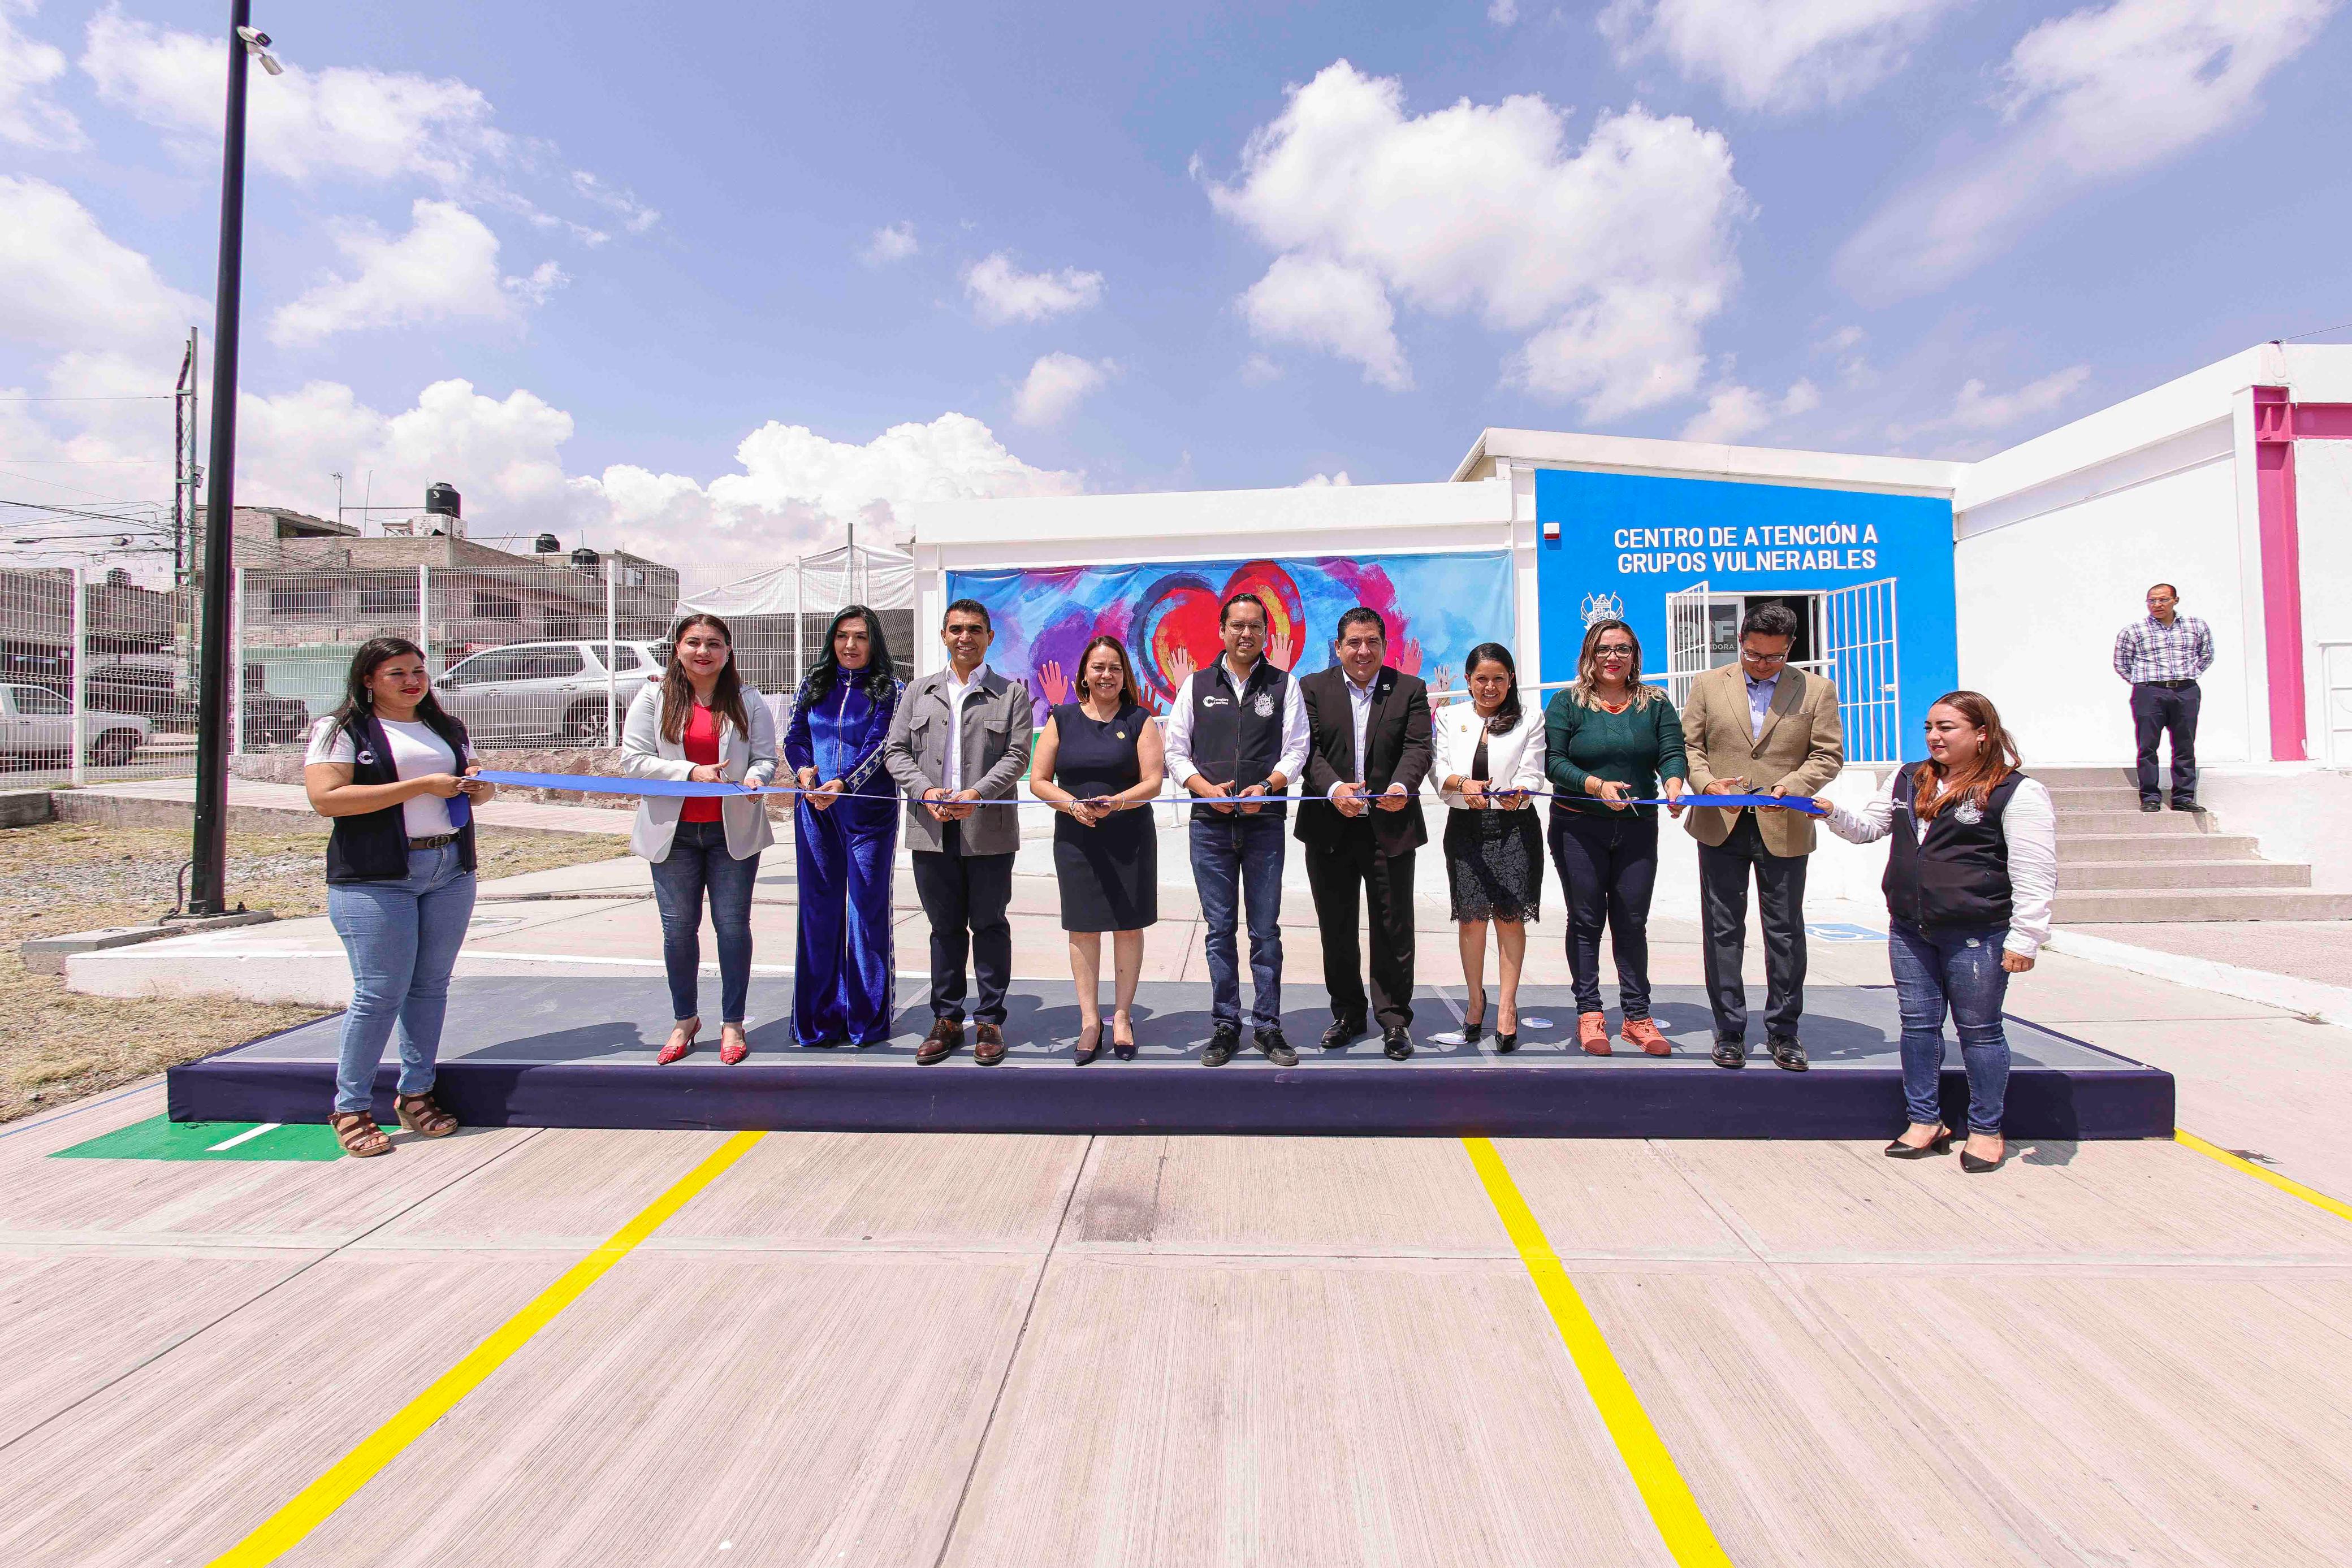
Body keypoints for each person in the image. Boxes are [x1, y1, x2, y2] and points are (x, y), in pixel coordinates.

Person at [1822, 691, 2055, 1174]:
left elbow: (2035, 872)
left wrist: (2025, 938)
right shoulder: (1908, 777)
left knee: (1980, 1033)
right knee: (1918, 1027)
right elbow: (1868, 829)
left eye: (1947, 727)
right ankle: (1925, 1120)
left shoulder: (2016, 791)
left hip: (1977, 934)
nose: (1933, 736)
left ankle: (1987, 1129)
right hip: (1911, 929)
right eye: (1929, 727)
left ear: (1982, 733)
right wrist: (1826, 811)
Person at [302, 636, 494, 1158]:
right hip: (376, 877)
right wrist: (420, 786)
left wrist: (479, 786)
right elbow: (326, 798)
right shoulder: (342, 730)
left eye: (418, 671)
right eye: (397, 674)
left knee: (430, 987)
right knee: (380, 992)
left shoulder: (446, 727)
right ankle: (351, 1107)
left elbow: (476, 786)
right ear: (368, 679)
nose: (412, 682)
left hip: (449, 869)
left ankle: (416, 1093)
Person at [1680, 603, 1844, 1071]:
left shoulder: (1816, 690)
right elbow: (1690, 748)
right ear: (1741, 642)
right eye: (1753, 654)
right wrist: (1707, 785)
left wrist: (1791, 787)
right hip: (1721, 823)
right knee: (1723, 929)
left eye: (1773, 657)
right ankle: (1729, 1029)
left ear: (1790, 648)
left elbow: (1828, 754)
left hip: (1784, 824)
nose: (1762, 664)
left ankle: (1784, 1030)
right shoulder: (1708, 684)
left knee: (1785, 930)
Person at [622, 613, 779, 1066]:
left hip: (732, 833)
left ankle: (733, 1022)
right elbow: (634, 761)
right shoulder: (653, 697)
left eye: (713, 643)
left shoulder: (748, 699)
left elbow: (766, 758)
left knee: (732, 928)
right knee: (678, 931)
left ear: (728, 651)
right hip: (672, 835)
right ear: (678, 648)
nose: (703, 651)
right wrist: (691, 772)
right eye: (693, 642)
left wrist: (756, 778)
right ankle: (685, 1019)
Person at [883, 598, 1034, 1065]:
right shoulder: (918, 692)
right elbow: (895, 752)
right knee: (944, 928)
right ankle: (947, 1019)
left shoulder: (1011, 694)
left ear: (990, 637)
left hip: (988, 830)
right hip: (931, 830)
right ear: (944, 635)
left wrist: (977, 793)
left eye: (974, 629)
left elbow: (1018, 755)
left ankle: (989, 1021)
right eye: (956, 629)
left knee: (989, 925)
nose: (965, 637)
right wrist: (926, 791)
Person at [1162, 591, 1309, 1067]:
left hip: (1264, 824)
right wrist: (1205, 790)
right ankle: (1226, 1025)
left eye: (1255, 626)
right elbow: (1175, 751)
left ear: (1266, 633)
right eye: (1238, 626)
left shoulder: (1284, 685)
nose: (1247, 634)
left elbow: (1297, 749)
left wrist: (1268, 786)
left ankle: (1268, 1026)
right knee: (1219, 931)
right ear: (1222, 631)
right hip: (1210, 827)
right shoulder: (1196, 685)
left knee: (1265, 932)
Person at [1543, 620, 1689, 1056]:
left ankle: (1637, 1017)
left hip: (1638, 827)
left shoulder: (1656, 702)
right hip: (1577, 827)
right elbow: (1554, 762)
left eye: (1623, 649)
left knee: (1631, 921)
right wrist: (1595, 785)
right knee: (1586, 920)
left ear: (1635, 656)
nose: (1613, 657)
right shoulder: (1567, 703)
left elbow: (1672, 752)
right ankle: (1589, 1013)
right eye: (1604, 649)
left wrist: (1675, 783)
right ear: (1589, 653)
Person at [1296, 607, 1433, 1060]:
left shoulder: (1409, 689)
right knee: (1336, 928)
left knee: (1394, 928)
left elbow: (1418, 748)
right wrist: (1334, 789)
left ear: (1384, 646)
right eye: (1354, 642)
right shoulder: (1312, 688)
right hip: (1329, 827)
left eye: (1372, 641)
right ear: (1338, 648)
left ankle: (1394, 1019)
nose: (1363, 651)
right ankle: (1348, 1014)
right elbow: (1306, 751)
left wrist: (1401, 788)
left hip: (1390, 826)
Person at [1030, 635, 1165, 1062]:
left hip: (1129, 838)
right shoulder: (1062, 718)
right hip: (1077, 839)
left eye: (1115, 668)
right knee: (1083, 927)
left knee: (1128, 926)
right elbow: (1038, 780)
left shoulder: (1140, 719)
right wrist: (1071, 805)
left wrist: (1117, 802)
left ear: (1125, 675)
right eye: (1099, 667)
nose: (1107, 675)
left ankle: (1122, 1017)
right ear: (1085, 674)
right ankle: (1090, 1021)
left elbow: (1153, 782)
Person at [784, 604, 902, 1049]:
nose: (850, 645)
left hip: (868, 812)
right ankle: (819, 1018)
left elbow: (881, 745)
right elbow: (794, 737)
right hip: (815, 809)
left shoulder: (890, 689)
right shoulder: (813, 684)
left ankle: (865, 1018)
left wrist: (845, 783)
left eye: (860, 637)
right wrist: (804, 772)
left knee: (865, 911)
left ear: (874, 643)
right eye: (842, 636)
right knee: (818, 910)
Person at [1433, 642, 1545, 1052]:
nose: (1490, 687)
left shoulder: (1531, 717)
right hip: (1465, 828)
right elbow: (1439, 768)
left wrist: (1520, 792)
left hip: (1515, 827)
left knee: (1510, 918)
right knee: (1471, 919)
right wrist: (1463, 785)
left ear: (1511, 680)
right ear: (1468, 681)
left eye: (1499, 678)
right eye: (1481, 679)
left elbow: (1534, 772)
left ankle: (1508, 1006)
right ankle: (1476, 1000)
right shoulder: (1449, 716)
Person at [2113, 582, 2213, 812]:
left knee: (2185, 745)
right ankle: (2150, 796)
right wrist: (2144, 682)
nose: (2157, 605)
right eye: (2152, 601)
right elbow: (2122, 663)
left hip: (2186, 691)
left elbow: (2206, 655)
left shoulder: (2196, 626)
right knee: (2148, 745)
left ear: (2175, 601)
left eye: (2163, 600)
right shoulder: (2134, 630)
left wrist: (2189, 673)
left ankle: (2183, 798)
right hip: (2149, 692)